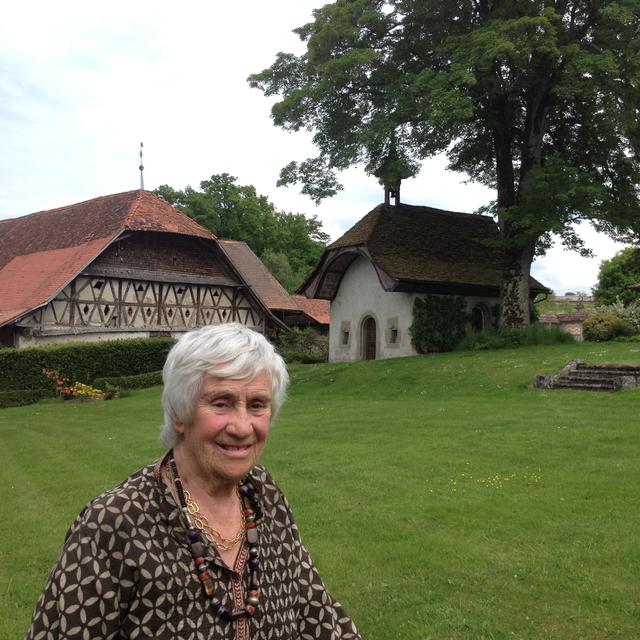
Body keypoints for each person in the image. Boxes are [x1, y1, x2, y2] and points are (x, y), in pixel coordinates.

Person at [26, 323, 361, 639]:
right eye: (221, 402)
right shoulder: (114, 523)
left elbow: (315, 610)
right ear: (178, 412)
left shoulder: (264, 494)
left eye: (257, 405)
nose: (243, 427)